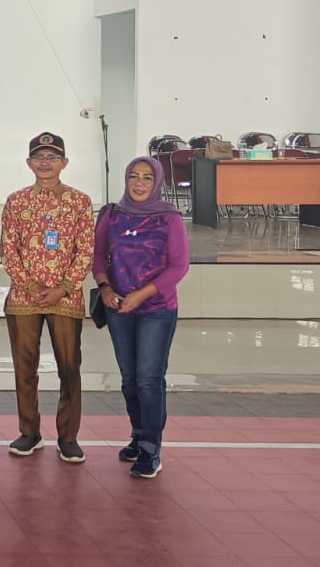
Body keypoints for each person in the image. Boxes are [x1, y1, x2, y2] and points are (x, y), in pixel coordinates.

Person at [0, 133, 94, 463]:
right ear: (28, 163)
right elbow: (8, 250)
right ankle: (29, 432)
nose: (45, 162)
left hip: (66, 299)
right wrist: (29, 287)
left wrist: (63, 287)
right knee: (25, 368)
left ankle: (68, 437)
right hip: (24, 298)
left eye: (52, 157)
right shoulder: (16, 201)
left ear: (64, 163)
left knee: (69, 368)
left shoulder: (80, 202)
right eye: (39, 156)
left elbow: (86, 250)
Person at [93, 156, 190, 479]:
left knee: (149, 379)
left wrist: (141, 294)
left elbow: (179, 267)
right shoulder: (111, 214)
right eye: (133, 176)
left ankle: (151, 449)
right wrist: (105, 288)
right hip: (119, 307)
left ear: (157, 182)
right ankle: (138, 433)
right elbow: (98, 257)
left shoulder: (168, 218)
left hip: (156, 310)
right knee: (130, 379)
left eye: (147, 178)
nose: (138, 183)